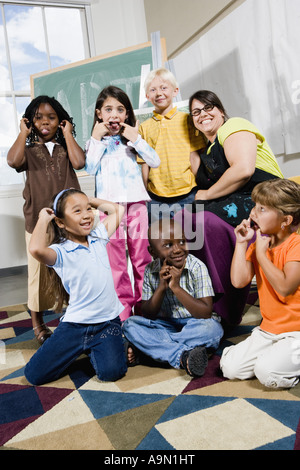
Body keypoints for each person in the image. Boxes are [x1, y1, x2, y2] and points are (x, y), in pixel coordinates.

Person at [174, 90, 284, 329]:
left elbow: (244, 169)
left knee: (205, 221)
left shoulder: (233, 126)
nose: (203, 114)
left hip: (265, 197)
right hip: (235, 202)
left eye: (208, 107)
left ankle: (225, 309)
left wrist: (205, 195)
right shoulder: (207, 151)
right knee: (183, 217)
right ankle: (202, 299)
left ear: (221, 111)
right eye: (196, 112)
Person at [24, 188, 127, 386]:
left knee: (111, 373)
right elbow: (36, 249)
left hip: (107, 322)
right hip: (76, 326)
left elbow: (117, 211)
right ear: (61, 222)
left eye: (88, 209)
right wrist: (43, 219)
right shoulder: (60, 251)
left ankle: (99, 345)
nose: (87, 215)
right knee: (34, 375)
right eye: (77, 211)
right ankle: (87, 346)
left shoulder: (98, 236)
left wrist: (87, 200)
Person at [7, 96, 85, 345]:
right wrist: (23, 133)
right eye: (38, 117)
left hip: (68, 220)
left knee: (72, 269)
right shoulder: (28, 151)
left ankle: (74, 316)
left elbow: (80, 162)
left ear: (60, 121)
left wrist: (68, 134)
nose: (45, 122)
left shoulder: (65, 148)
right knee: (38, 273)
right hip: (37, 221)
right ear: (30, 121)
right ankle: (38, 323)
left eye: (51, 117)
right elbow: (12, 161)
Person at [85, 86, 160, 320]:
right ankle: (124, 312)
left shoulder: (131, 141)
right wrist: (96, 138)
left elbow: (154, 161)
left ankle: (145, 307)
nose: (114, 114)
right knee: (115, 262)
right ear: (99, 114)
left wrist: (136, 139)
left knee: (142, 259)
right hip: (109, 209)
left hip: (136, 204)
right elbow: (90, 168)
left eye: (120, 109)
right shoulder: (95, 143)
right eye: (108, 109)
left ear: (126, 115)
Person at [220, 179, 300, 389]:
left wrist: (261, 255)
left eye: (262, 209)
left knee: (266, 372)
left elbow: (285, 287)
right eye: (255, 206)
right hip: (268, 329)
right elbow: (239, 281)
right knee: (230, 368)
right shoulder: (260, 243)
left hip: (296, 331)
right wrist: (241, 243)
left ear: (285, 220)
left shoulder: (296, 246)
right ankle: (278, 356)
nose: (253, 213)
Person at [122, 218, 224, 378]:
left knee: (212, 329)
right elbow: (148, 314)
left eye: (182, 241)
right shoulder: (150, 270)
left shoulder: (197, 267)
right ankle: (184, 356)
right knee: (130, 324)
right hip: (164, 325)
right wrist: (162, 287)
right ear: (152, 252)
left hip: (194, 324)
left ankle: (151, 350)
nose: (178, 249)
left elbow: (205, 313)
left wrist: (175, 287)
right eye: (168, 245)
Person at [138, 67, 206, 222]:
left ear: (175, 91)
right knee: (160, 240)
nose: (159, 93)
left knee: (192, 240)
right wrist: (145, 194)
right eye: (153, 90)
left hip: (188, 193)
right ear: (148, 96)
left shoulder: (187, 120)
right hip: (156, 197)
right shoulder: (145, 127)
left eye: (164, 88)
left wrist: (201, 189)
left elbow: (194, 157)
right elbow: (144, 164)